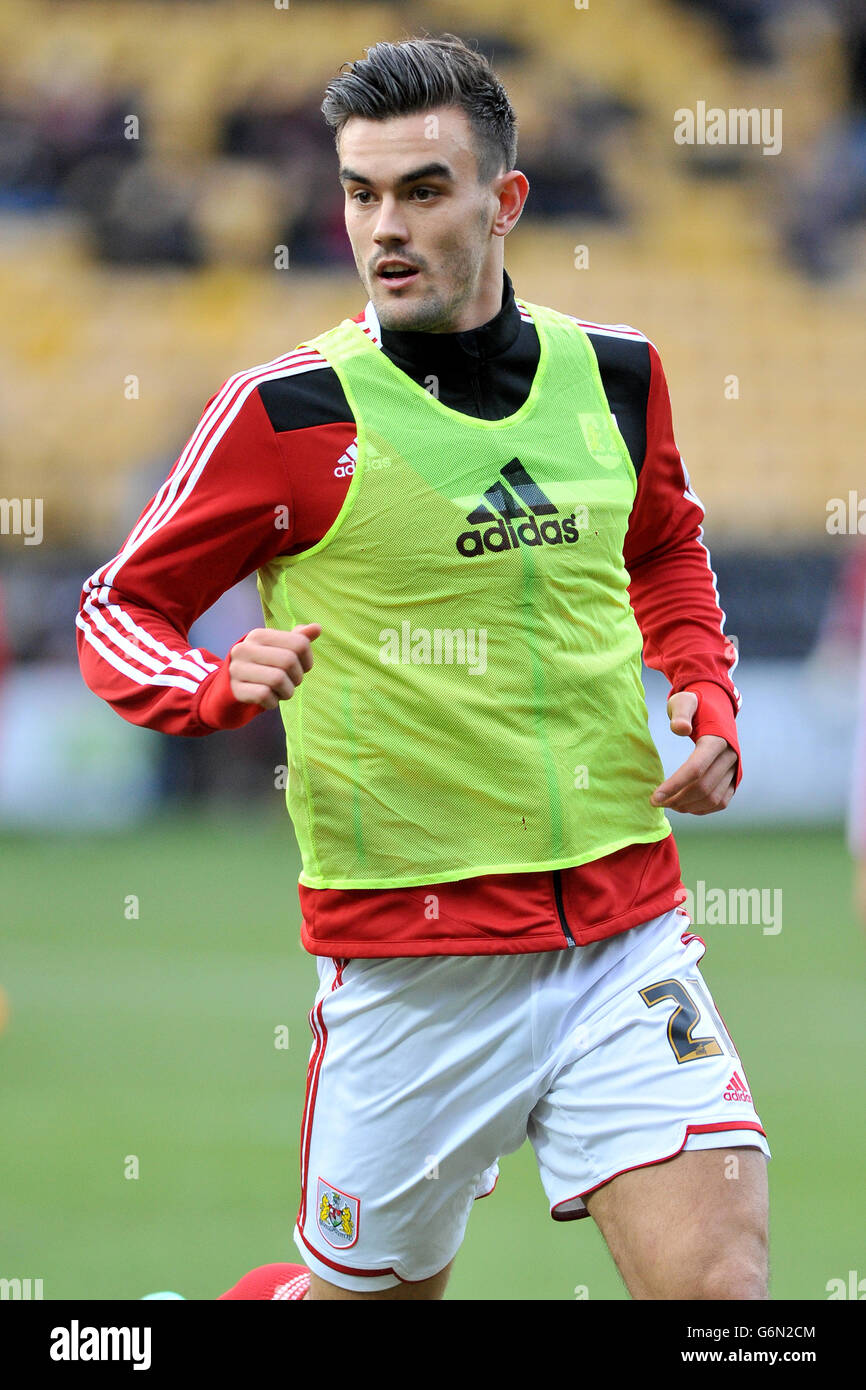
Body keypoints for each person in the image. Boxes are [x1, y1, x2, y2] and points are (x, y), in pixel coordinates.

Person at [78, 33, 770, 1301]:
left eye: (421, 190)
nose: (381, 226)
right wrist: (211, 682)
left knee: (719, 1297)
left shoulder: (613, 377)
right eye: (359, 194)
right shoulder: (285, 416)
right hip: (411, 963)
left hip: (623, 936)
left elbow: (665, 544)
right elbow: (117, 606)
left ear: (503, 202)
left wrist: (702, 691)